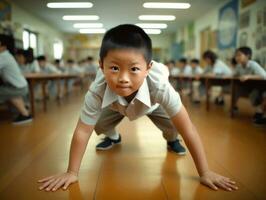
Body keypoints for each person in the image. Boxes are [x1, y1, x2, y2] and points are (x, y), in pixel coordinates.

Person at [38, 24, 237, 192]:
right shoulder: (97, 89)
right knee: (96, 123)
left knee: (174, 126)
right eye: (114, 68)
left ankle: (171, 140)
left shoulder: (160, 86)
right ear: (101, 65)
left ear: (148, 68)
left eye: (134, 69)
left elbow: (189, 128)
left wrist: (205, 172)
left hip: (153, 105)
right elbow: (82, 131)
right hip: (115, 106)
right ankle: (113, 137)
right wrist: (72, 172)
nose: (123, 78)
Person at [0, 35, 32, 124]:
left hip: (18, 87)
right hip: (20, 86)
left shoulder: (3, 56)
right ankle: (25, 114)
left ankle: (25, 113)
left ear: (2, 46)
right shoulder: (6, 55)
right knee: (11, 93)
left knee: (7, 91)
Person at [234, 46, 266, 125]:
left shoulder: (253, 64)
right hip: (252, 87)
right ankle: (259, 112)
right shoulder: (238, 66)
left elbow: (264, 76)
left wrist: (249, 76)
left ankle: (261, 113)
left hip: (262, 86)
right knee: (239, 90)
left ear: (248, 56)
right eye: (236, 55)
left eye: (239, 55)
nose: (237, 57)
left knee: (261, 95)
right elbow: (234, 75)